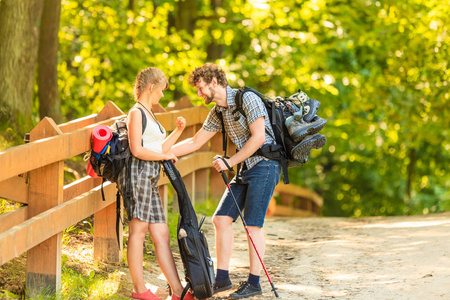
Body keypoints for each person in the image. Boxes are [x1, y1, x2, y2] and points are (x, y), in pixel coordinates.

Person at [171, 63, 281, 299]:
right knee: (221, 219)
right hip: (244, 167)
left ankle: (254, 283)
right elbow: (195, 142)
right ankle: (222, 280)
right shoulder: (218, 112)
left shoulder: (247, 99)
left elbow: (259, 137)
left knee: (253, 225)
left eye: (200, 89)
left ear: (213, 81)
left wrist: (230, 162)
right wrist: (165, 152)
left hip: (266, 165)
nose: (199, 94)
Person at [117, 67, 195, 300]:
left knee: (161, 234)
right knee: (138, 232)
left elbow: (159, 149)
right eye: (161, 90)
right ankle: (139, 291)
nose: (162, 95)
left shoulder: (149, 113)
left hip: (150, 178)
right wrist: (164, 156)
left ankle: (178, 290)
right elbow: (137, 150)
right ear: (151, 87)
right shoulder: (135, 113)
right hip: (137, 175)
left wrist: (178, 131)